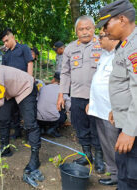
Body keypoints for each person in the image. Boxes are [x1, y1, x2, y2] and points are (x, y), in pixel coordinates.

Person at [57, 15, 105, 174]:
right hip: (77, 95)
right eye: (81, 29)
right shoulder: (70, 48)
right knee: (79, 125)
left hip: (97, 97)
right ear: (76, 31)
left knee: (97, 127)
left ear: (94, 29)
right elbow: (65, 73)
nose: (85, 32)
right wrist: (61, 94)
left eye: (88, 28)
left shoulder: (103, 44)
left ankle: (99, 156)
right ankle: (87, 154)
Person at [97, 0, 137, 189]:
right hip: (126, 122)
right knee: (123, 172)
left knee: (131, 177)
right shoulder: (124, 46)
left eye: (106, 25)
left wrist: (130, 131)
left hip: (133, 129)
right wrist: (117, 109)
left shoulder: (135, 47)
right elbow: (126, 85)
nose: (104, 31)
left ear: (122, 19)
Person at [87, 29, 120, 186]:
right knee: (106, 144)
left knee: (117, 145)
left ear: (111, 37)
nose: (98, 39)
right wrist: (91, 102)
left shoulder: (120, 55)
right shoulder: (104, 55)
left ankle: (124, 178)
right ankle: (115, 175)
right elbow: (98, 80)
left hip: (112, 111)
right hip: (99, 109)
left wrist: (117, 107)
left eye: (101, 36)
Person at [1, 28, 34, 139]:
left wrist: (30, 80)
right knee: (14, 111)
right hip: (11, 88)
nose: (5, 43)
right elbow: (3, 71)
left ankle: (30, 134)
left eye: (7, 40)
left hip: (24, 86)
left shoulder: (24, 48)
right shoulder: (6, 55)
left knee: (27, 111)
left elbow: (29, 63)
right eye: (4, 42)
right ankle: (17, 131)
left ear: (13, 37)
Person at [37, 72, 70, 137]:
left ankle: (41, 128)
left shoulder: (43, 88)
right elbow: (69, 106)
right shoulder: (63, 91)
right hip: (53, 119)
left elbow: (37, 100)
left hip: (38, 118)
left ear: (53, 79)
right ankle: (52, 129)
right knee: (63, 112)